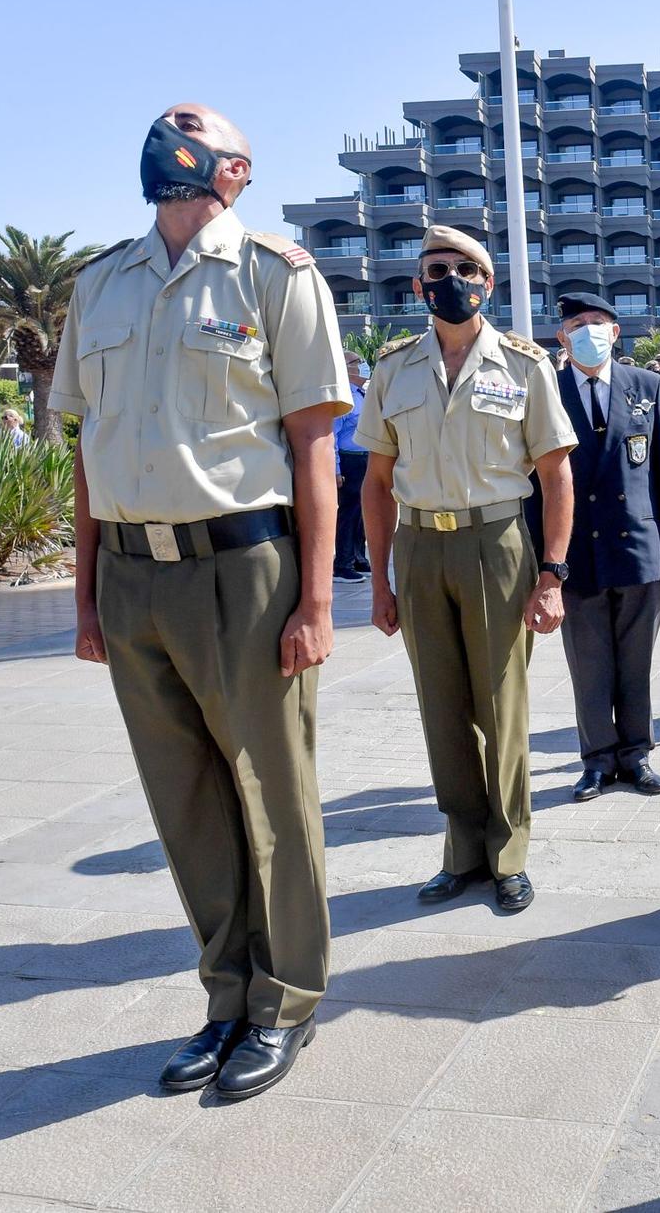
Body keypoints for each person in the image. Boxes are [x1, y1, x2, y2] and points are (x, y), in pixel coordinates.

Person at [48, 102, 351, 1100]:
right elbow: (87, 450)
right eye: (163, 123)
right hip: (133, 575)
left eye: (195, 128)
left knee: (272, 796)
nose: (169, 132)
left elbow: (314, 446)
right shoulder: (97, 286)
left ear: (237, 170)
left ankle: (288, 998)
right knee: (183, 802)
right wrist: (88, 590)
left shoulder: (275, 274)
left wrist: (315, 598)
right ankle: (225, 994)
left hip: (242, 566)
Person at [358, 224, 577, 916]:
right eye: (435, 268)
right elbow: (375, 480)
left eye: (464, 267)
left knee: (501, 706)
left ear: (487, 283)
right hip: (421, 548)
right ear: (418, 285)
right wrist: (380, 579)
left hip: (497, 543)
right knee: (442, 710)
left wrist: (552, 575)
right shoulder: (392, 368)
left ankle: (508, 853)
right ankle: (462, 850)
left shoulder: (523, 364)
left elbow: (555, 474)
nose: (450, 278)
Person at [543, 292, 660, 801]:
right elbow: (533, 484)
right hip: (576, 550)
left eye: (598, 322)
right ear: (562, 337)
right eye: (578, 324)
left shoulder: (646, 386)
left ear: (616, 331)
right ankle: (597, 761)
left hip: (639, 548)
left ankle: (637, 755)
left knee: (636, 661)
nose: (589, 331)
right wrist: (542, 564)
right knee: (589, 664)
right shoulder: (546, 389)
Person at [332, 356, 370, 581]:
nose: (363, 365)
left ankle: (358, 558)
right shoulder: (343, 397)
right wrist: (336, 468)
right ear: (346, 368)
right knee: (349, 513)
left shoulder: (361, 394)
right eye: (358, 361)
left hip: (364, 459)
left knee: (361, 513)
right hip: (349, 461)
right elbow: (332, 435)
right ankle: (343, 563)